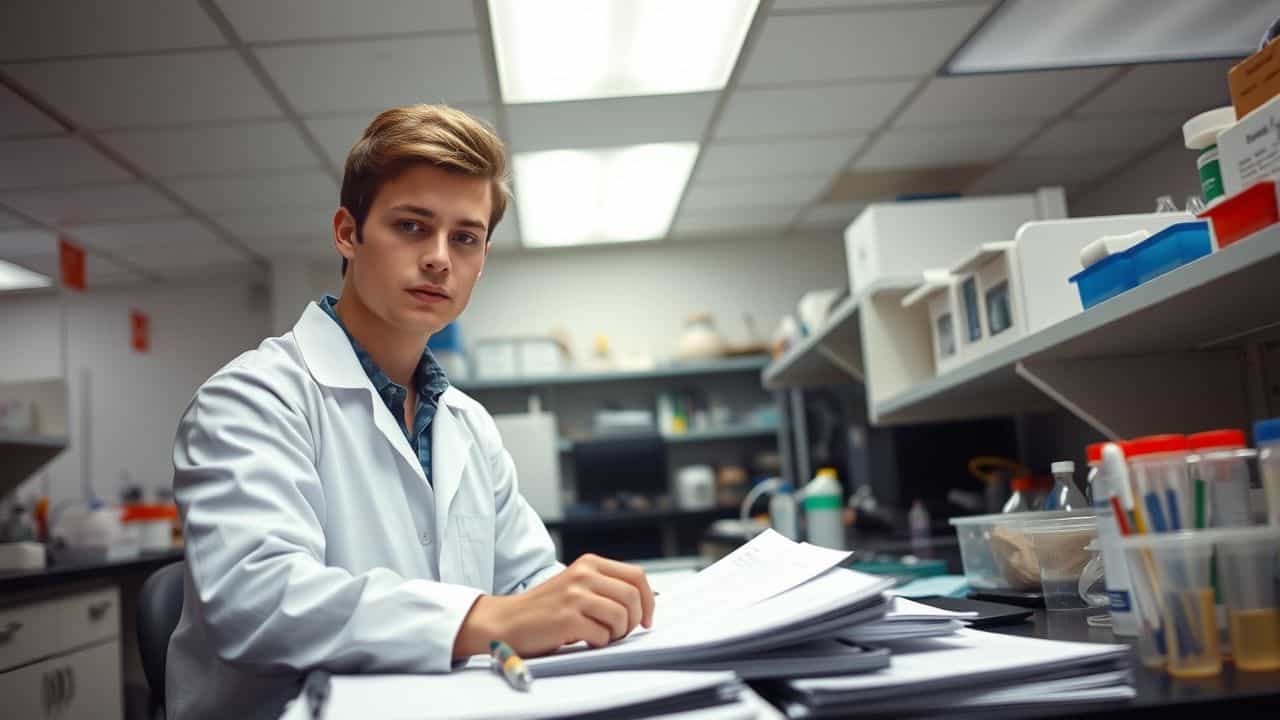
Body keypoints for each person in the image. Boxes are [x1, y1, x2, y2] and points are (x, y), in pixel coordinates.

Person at [166, 105, 655, 720]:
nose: (440, 259)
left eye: (466, 238)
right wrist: (490, 618)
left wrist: (584, 602)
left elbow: (527, 582)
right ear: (348, 232)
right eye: (413, 226)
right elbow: (257, 602)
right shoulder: (251, 400)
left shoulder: (467, 425)